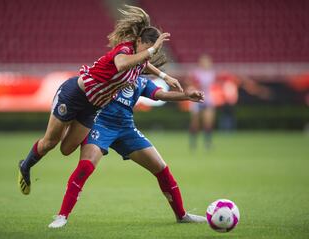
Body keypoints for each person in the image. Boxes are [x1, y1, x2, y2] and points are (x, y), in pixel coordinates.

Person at [18, 5, 183, 195]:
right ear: (138, 41)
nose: (149, 54)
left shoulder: (140, 59)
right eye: (147, 49)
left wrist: (164, 75)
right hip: (74, 95)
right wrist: (153, 50)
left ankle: (65, 125)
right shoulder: (124, 51)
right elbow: (121, 65)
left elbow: (145, 63)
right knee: (50, 143)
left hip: (92, 107)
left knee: (66, 149)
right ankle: (25, 166)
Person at [48, 76, 206, 228]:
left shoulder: (142, 81)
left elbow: (162, 94)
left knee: (161, 168)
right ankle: (62, 216)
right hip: (100, 124)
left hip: (126, 129)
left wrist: (186, 96)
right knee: (86, 166)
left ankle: (182, 215)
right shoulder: (114, 69)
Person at [188, 54, 216, 150]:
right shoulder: (196, 73)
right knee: (195, 123)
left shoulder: (211, 73)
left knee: (208, 123)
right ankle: (193, 143)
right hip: (196, 99)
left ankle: (208, 143)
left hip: (207, 99)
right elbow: (191, 83)